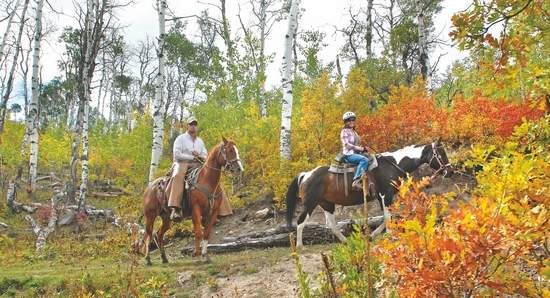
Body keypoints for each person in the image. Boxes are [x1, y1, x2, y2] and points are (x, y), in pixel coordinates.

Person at [166, 116, 233, 221]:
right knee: (178, 175)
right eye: (191, 124)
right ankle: (175, 207)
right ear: (187, 126)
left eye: (195, 125)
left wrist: (199, 156)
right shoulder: (180, 139)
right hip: (182, 163)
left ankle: (222, 210)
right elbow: (177, 154)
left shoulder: (200, 141)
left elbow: (206, 155)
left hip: (198, 163)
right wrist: (193, 157)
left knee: (213, 177)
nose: (193, 126)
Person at [340, 111, 369, 190]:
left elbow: (356, 144)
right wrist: (360, 149)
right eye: (349, 120)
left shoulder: (354, 131)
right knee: (364, 160)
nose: (351, 122)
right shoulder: (344, 131)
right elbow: (347, 145)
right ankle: (356, 180)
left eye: (353, 120)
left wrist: (364, 148)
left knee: (371, 157)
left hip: (356, 153)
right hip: (349, 155)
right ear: (346, 122)